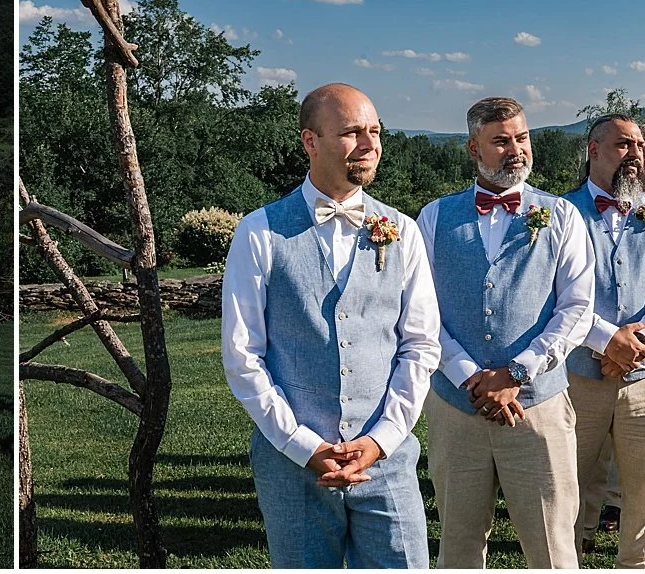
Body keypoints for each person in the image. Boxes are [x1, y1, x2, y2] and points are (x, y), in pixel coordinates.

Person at [220, 83, 440, 568]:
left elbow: (420, 345)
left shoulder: (402, 231)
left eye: (375, 131)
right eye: (351, 132)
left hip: (386, 459)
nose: (368, 144)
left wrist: (382, 438)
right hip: (292, 465)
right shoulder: (259, 231)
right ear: (310, 141)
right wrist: (303, 445)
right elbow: (242, 355)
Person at [420, 97, 592, 568]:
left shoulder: (561, 215)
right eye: (501, 141)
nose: (516, 150)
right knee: (457, 545)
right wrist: (467, 375)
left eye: (522, 138)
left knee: (553, 547)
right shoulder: (434, 217)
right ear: (474, 148)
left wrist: (517, 372)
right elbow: (421, 310)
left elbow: (576, 308)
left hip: (538, 409)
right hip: (456, 408)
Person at [562, 114, 645, 568]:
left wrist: (643, 339)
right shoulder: (561, 213)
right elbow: (554, 294)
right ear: (593, 150)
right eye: (624, 145)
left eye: (639, 146)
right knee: (567, 485)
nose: (636, 155)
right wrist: (606, 340)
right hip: (578, 374)